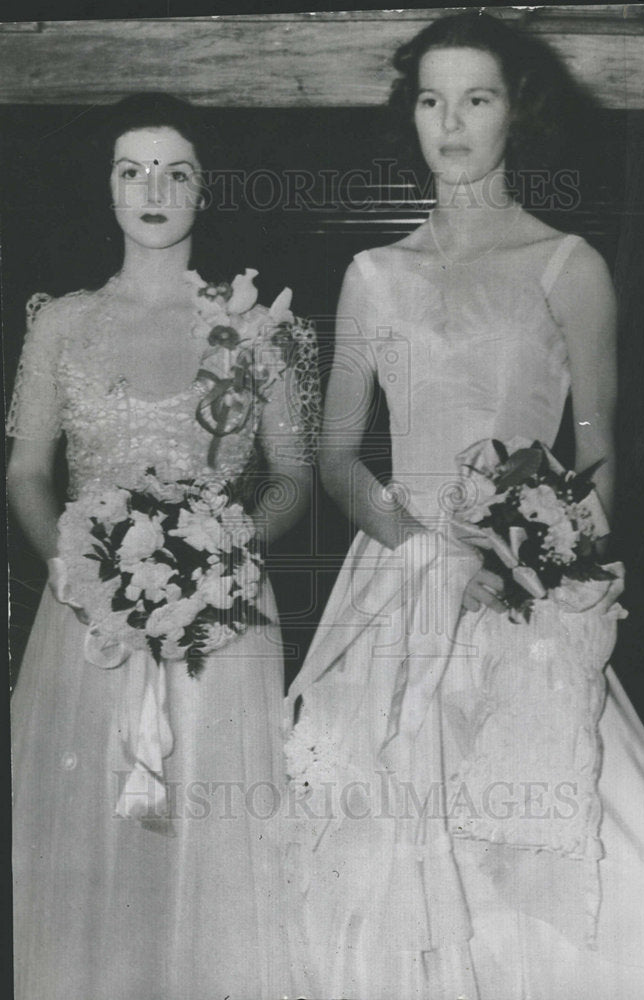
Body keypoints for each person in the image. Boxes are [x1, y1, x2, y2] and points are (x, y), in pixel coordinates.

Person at [284, 12, 644, 1000]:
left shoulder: (570, 266)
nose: (450, 122)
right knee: (364, 838)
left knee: (539, 845)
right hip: (395, 575)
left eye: (476, 99)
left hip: (520, 582)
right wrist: (419, 549)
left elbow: (599, 455)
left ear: (515, 115)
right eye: (431, 100)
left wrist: (537, 568)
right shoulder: (374, 275)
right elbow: (336, 457)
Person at [7, 92, 319, 1000]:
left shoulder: (255, 326)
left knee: (212, 842)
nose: (154, 190)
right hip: (88, 621)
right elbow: (26, 472)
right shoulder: (61, 321)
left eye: (176, 172)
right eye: (132, 170)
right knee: (89, 849)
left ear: (206, 189)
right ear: (106, 186)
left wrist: (225, 553)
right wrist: (73, 572)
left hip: (221, 622)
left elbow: (294, 475)